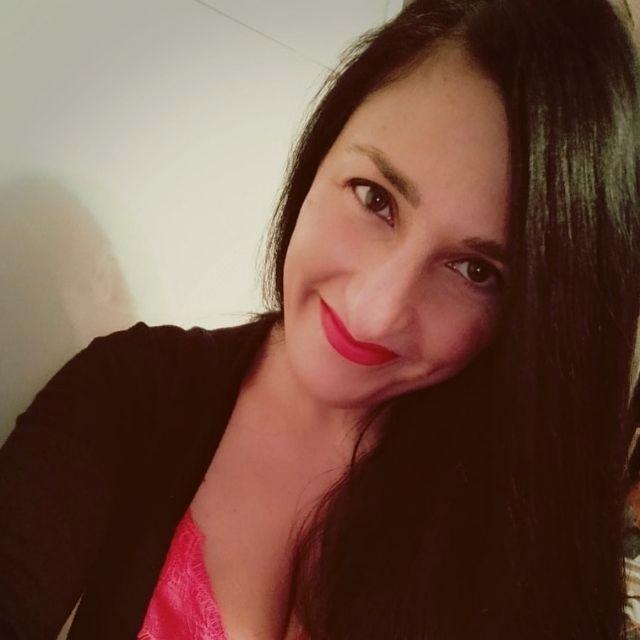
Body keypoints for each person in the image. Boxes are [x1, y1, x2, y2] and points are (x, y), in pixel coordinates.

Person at [1, 0, 639, 638]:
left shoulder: (525, 534)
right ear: (321, 153)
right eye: (375, 198)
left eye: (476, 271)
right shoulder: (130, 393)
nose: (375, 313)